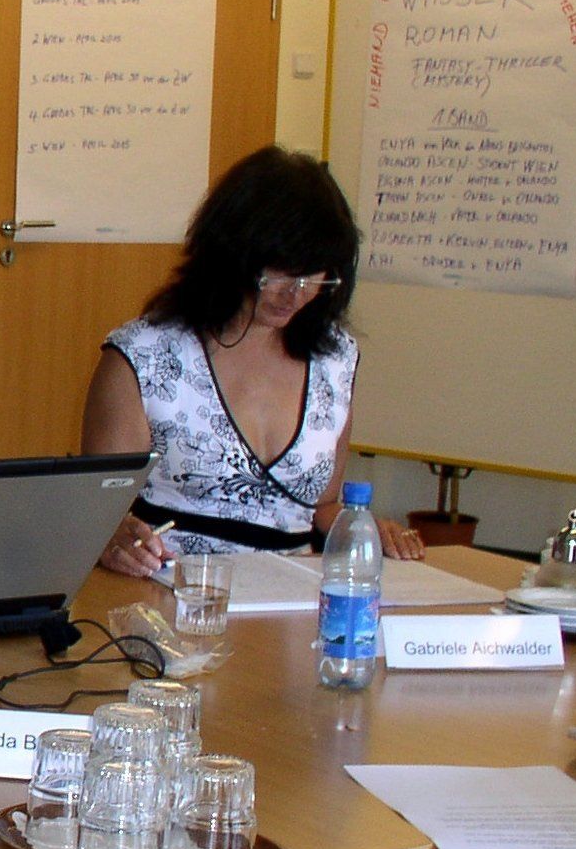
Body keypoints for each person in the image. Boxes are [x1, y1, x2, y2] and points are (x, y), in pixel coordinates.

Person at [81, 145, 425, 577]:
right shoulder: (144, 356)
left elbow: (322, 505)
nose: (296, 293)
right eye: (279, 272)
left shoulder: (336, 358)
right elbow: (97, 513)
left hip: (294, 589)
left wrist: (363, 528)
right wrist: (114, 539)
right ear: (230, 256)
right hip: (173, 586)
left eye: (315, 275)